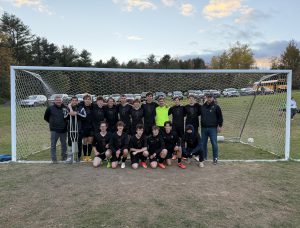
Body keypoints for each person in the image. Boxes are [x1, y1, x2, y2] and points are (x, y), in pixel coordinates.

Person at [44, 95, 68, 163]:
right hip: (54, 130)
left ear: (61, 101)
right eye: (57, 100)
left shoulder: (65, 108)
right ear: (54, 101)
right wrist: (52, 123)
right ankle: (54, 159)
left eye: (59, 100)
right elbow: (46, 117)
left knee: (64, 145)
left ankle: (64, 158)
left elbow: (67, 117)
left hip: (63, 130)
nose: (58, 101)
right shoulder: (50, 108)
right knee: (53, 145)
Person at [200, 93, 223, 164]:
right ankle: (204, 157)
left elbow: (220, 117)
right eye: (208, 97)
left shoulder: (216, 107)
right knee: (203, 144)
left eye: (210, 97)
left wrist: (220, 126)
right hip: (204, 128)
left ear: (213, 98)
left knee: (214, 143)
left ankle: (215, 158)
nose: (209, 99)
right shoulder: (202, 106)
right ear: (206, 98)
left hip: (212, 128)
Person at [66, 96, 86, 163]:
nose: (74, 101)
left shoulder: (80, 108)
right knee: (69, 142)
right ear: (71, 101)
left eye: (75, 100)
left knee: (79, 143)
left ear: (77, 101)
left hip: (79, 128)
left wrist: (77, 113)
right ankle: (70, 157)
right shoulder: (67, 108)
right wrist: (70, 112)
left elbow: (84, 116)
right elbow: (64, 116)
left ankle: (78, 156)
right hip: (70, 128)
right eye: (73, 100)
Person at [79, 94, 94, 162]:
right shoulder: (81, 106)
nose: (88, 100)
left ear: (90, 100)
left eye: (89, 99)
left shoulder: (92, 106)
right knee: (85, 142)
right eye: (86, 99)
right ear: (84, 100)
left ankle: (89, 156)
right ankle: (85, 156)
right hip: (83, 127)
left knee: (90, 141)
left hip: (91, 127)